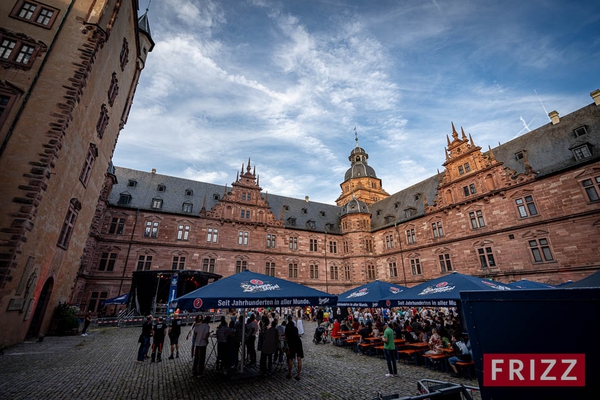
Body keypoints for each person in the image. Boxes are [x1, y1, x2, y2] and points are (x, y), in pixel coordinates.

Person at [285, 315, 303, 380]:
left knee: (290, 358)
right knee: (299, 358)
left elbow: (286, 337)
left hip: (291, 343)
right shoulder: (295, 328)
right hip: (298, 342)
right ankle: (298, 375)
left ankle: (290, 373)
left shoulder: (287, 328)